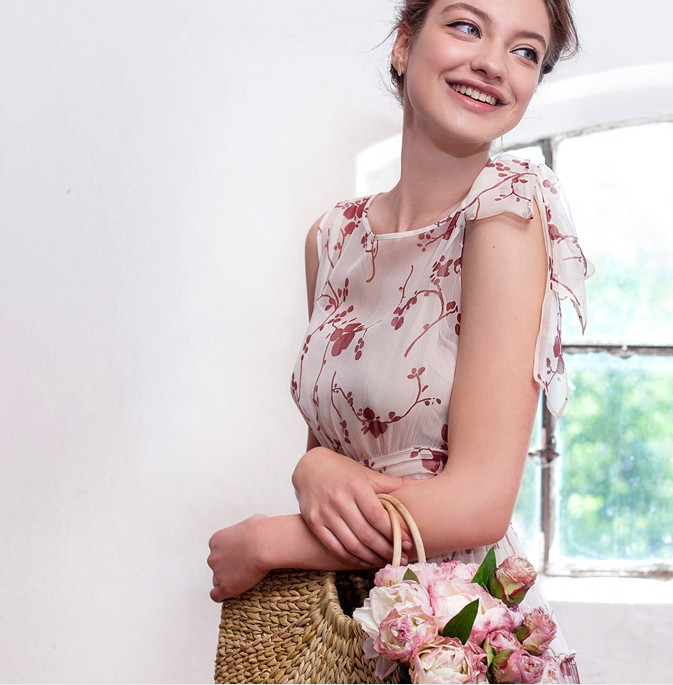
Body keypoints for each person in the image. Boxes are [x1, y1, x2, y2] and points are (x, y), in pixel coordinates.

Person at [209, 0, 590, 679]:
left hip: (453, 630)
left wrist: (265, 542)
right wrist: (314, 469)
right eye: (467, 26)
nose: (493, 64)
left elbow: (478, 504)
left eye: (525, 51)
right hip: (342, 621)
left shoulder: (506, 212)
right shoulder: (332, 238)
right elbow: (338, 464)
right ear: (404, 43)